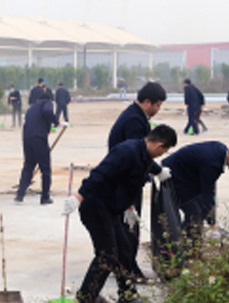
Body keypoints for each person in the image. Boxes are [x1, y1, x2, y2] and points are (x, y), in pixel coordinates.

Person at [62, 125, 177, 303]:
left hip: (112, 209)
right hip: (96, 207)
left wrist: (131, 206)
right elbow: (100, 173)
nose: (162, 155)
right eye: (164, 151)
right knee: (107, 255)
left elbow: (131, 180)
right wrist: (79, 197)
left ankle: (128, 295)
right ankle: (86, 298)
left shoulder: (144, 154)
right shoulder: (126, 151)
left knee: (125, 251)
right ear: (159, 145)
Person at [108, 81, 169, 282]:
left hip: (127, 178)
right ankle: (128, 270)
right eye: (157, 105)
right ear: (147, 102)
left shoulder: (137, 116)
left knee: (127, 228)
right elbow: (138, 154)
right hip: (125, 181)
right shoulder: (134, 120)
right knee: (129, 228)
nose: (158, 109)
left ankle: (122, 266)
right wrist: (157, 170)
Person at [161, 142, 229, 252]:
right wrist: (212, 224)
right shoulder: (212, 163)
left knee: (200, 211)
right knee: (194, 213)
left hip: (188, 175)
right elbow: (207, 193)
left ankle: (191, 242)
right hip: (174, 175)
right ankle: (177, 245)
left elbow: (209, 188)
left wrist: (210, 213)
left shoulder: (221, 150)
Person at [15, 92, 61, 205]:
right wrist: (56, 122)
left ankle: (20, 194)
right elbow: (47, 112)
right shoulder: (47, 103)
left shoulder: (31, 108)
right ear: (50, 99)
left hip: (27, 139)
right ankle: (45, 197)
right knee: (45, 169)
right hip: (38, 139)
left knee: (28, 166)